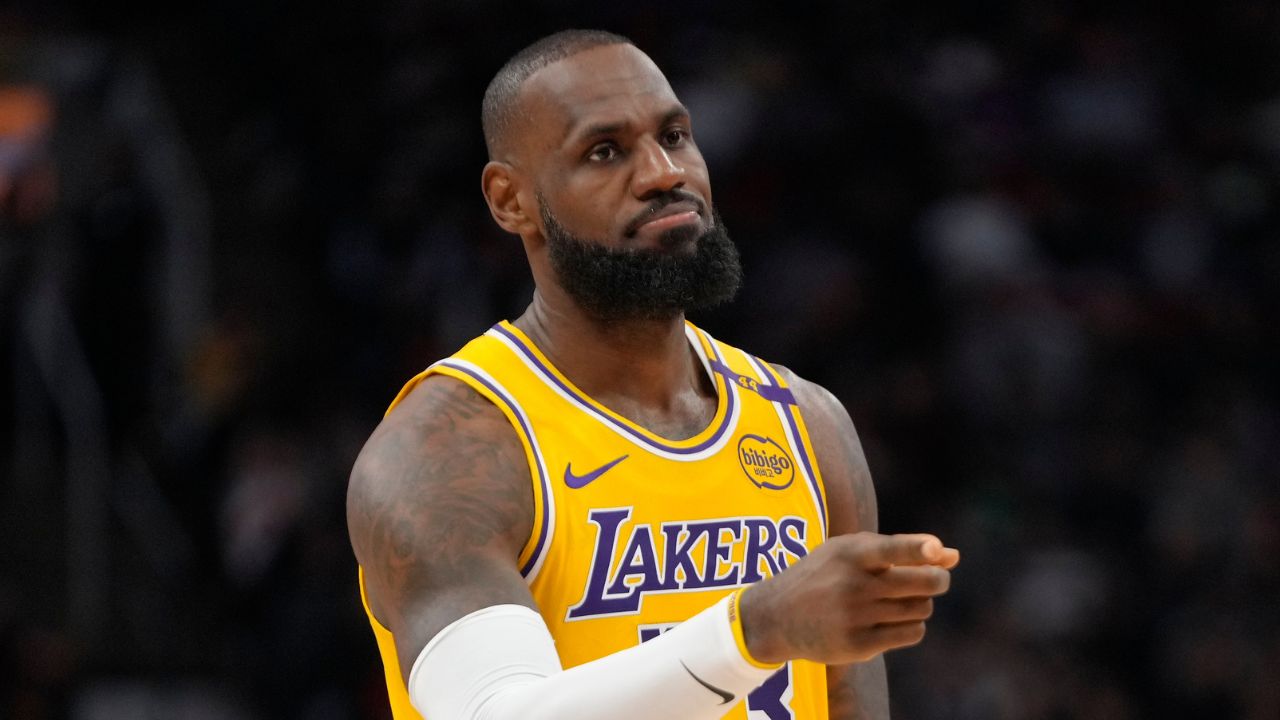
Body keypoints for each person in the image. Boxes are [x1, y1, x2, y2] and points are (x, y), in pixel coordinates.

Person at [346, 29, 959, 720]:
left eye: (674, 135)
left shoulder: (807, 422)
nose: (664, 172)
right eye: (604, 152)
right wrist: (751, 630)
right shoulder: (450, 447)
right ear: (511, 200)